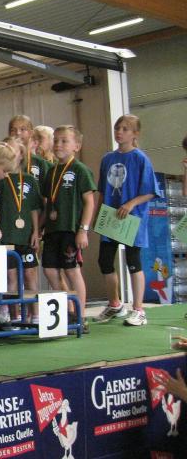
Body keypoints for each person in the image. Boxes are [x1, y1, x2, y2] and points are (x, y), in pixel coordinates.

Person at [93, 115, 159, 327]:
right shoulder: (107, 159)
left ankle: (139, 309)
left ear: (135, 134)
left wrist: (130, 204)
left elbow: (150, 191)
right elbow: (102, 191)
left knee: (133, 261)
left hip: (132, 218)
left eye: (125, 129)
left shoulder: (140, 159)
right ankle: (115, 304)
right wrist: (97, 215)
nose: (119, 132)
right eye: (117, 128)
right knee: (104, 261)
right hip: (110, 217)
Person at [41, 125, 96, 330]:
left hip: (71, 229)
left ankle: (81, 316)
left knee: (72, 271)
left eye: (64, 141)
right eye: (56, 140)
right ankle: (68, 310)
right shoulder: (51, 171)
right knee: (49, 270)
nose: (58, 144)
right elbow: (48, 204)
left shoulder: (80, 170)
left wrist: (83, 230)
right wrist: (39, 229)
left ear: (76, 146)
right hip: (52, 229)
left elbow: (89, 202)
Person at [0, 140, 42, 324]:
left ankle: (35, 314)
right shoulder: (0, 180)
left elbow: (34, 208)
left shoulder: (29, 180)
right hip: (6, 237)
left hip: (26, 236)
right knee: (11, 276)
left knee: (30, 275)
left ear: (22, 155)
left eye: (13, 150)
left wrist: (36, 232)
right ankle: (14, 316)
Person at [9, 115, 51, 185]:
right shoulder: (4, 160)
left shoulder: (40, 163)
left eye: (22, 129)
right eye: (13, 130)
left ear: (31, 133)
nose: (18, 133)